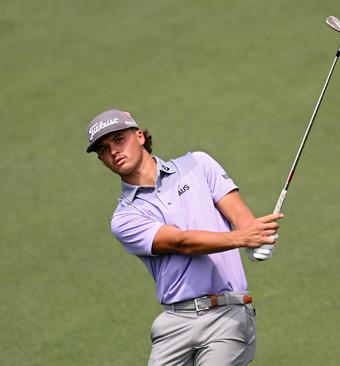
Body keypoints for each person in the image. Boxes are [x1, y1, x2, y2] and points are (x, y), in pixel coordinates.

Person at [85, 108, 283, 365]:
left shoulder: (198, 164)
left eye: (119, 140)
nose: (113, 151)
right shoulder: (124, 218)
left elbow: (238, 214)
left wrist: (256, 237)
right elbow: (181, 242)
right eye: (103, 149)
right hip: (174, 325)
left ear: (140, 137)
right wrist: (242, 238)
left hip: (227, 315)